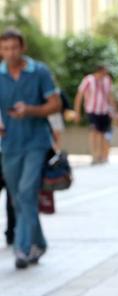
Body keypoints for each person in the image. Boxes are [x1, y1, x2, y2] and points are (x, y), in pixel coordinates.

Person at [0, 28, 62, 269]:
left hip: (37, 141)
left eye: (14, 48)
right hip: (9, 144)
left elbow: (55, 104)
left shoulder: (39, 72)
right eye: (5, 49)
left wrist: (31, 110)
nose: (10, 53)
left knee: (27, 192)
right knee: (17, 198)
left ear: (22, 48)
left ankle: (22, 248)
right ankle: (39, 243)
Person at [73, 65, 118, 165]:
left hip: (104, 111)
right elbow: (79, 95)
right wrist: (77, 112)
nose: (105, 75)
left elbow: (109, 96)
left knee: (102, 133)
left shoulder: (107, 80)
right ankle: (94, 155)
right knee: (94, 131)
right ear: (98, 71)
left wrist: (115, 111)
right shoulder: (88, 80)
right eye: (103, 72)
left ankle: (101, 155)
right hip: (92, 110)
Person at [0, 109, 16, 248]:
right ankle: (11, 233)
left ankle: (12, 233)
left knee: (12, 197)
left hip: (10, 152)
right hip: (8, 152)